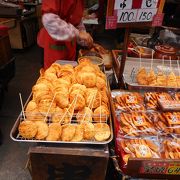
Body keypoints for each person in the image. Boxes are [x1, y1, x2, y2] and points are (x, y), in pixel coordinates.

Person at [37, 0, 93, 69]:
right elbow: (50, 21)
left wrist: (83, 38)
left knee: (69, 74)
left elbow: (77, 20)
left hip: (70, 48)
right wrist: (78, 33)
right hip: (53, 46)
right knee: (53, 76)